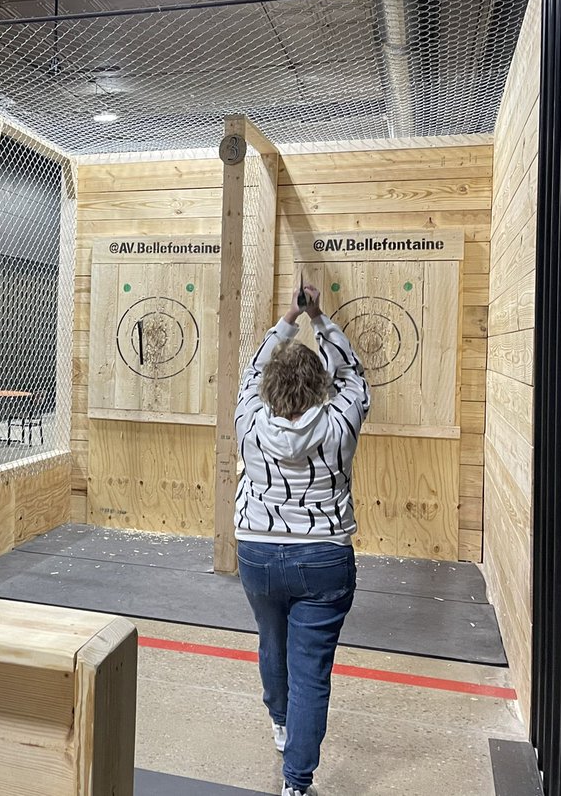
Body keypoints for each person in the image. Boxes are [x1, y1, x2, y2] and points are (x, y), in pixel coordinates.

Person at [233, 283, 371, 796]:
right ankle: (296, 782)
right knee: (310, 668)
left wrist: (290, 316)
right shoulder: (340, 422)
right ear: (322, 387)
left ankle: (280, 722)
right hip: (324, 558)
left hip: (259, 552)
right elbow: (353, 374)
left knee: (272, 639)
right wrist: (320, 317)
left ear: (268, 388)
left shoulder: (248, 420)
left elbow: (253, 370)